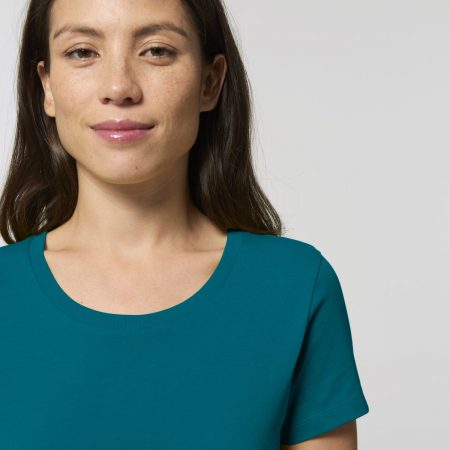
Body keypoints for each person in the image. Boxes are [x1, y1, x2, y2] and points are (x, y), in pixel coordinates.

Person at [0, 0, 369, 448]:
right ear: (47, 87)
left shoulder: (294, 287)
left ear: (210, 83)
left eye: (157, 50)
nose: (119, 87)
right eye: (82, 52)